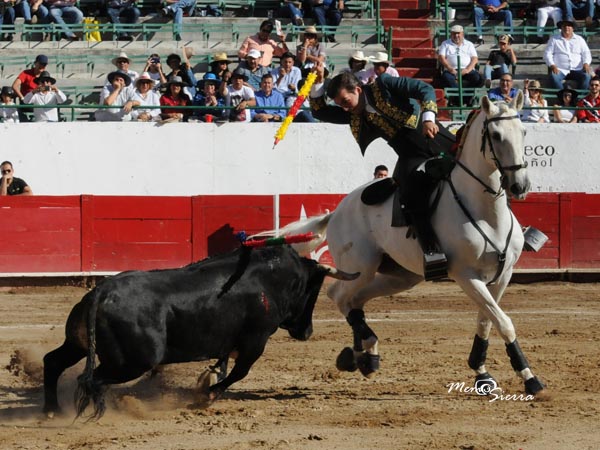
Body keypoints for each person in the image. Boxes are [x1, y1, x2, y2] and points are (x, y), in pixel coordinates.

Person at [309, 62, 456, 279]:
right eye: (340, 104)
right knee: (407, 194)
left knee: (480, 167)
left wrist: (428, 118)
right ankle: (432, 251)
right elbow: (319, 111)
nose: (344, 107)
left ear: (357, 89)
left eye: (345, 101)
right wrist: (319, 80)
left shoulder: (384, 84)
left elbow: (424, 89)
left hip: (434, 137)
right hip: (409, 154)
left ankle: (517, 229)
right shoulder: (353, 113)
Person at [544, 19, 593, 90]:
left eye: (569, 25)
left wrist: (586, 63)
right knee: (554, 76)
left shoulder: (580, 39)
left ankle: (579, 98)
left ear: (573, 28)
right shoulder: (554, 39)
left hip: (578, 69)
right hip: (560, 69)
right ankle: (563, 97)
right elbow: (547, 54)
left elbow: (586, 53)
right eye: (564, 26)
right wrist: (552, 65)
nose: (567, 27)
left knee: (587, 76)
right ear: (561, 28)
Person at [437, 25, 482, 92]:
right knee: (446, 78)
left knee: (477, 78)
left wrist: (467, 69)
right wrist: (450, 69)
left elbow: (474, 59)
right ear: (451, 34)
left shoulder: (469, 44)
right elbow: (441, 57)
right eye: (454, 33)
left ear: (462, 34)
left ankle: (466, 97)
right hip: (451, 70)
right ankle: (458, 98)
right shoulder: (445, 44)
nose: (456, 35)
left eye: (458, 33)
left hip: (467, 70)